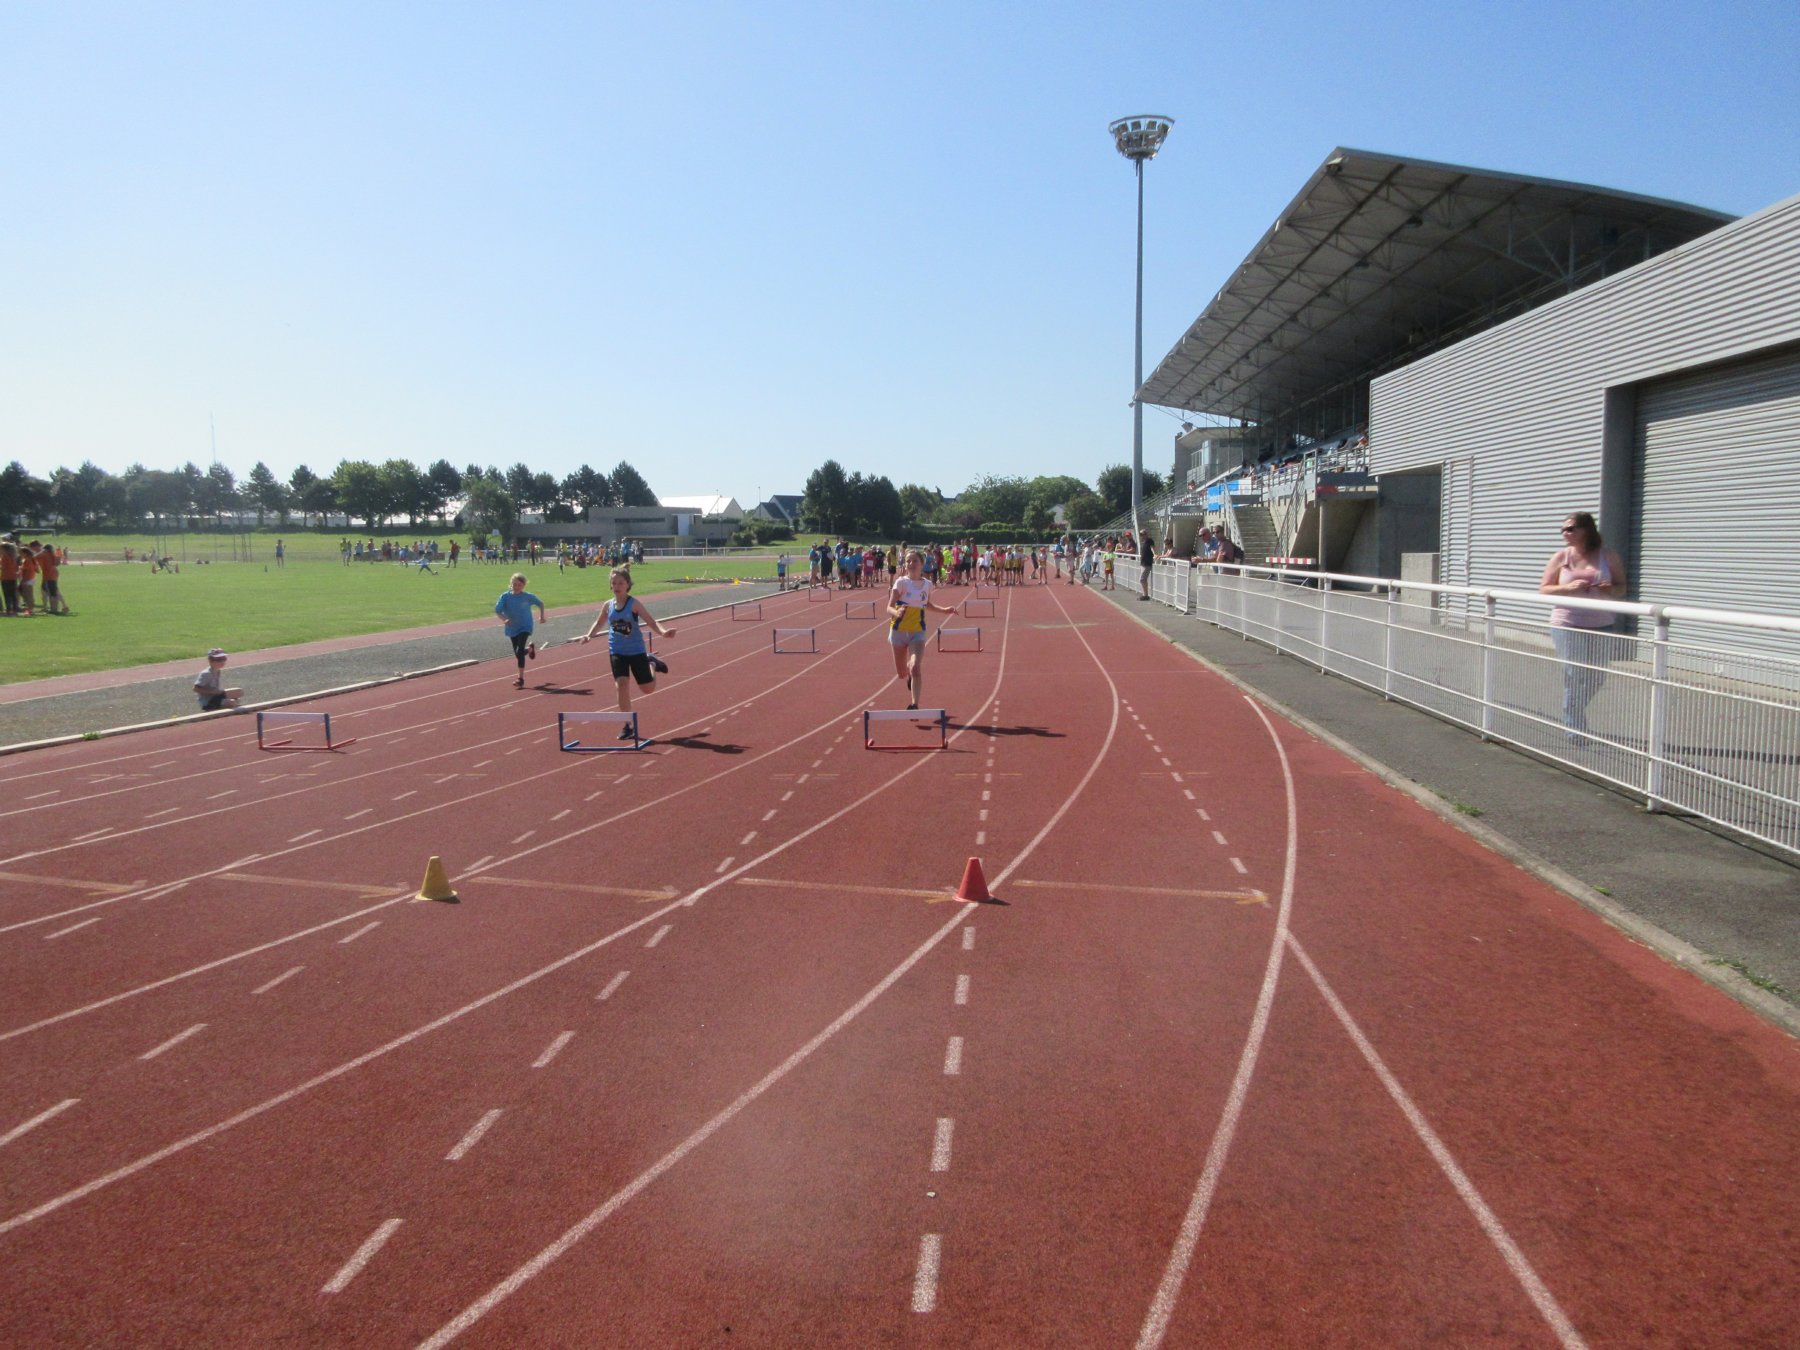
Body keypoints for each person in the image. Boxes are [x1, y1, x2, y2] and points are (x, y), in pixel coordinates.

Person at [1539, 511, 1628, 745]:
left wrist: (1610, 588)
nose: (1565, 533)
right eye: (1563, 530)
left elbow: (1622, 588)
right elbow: (1544, 589)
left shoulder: (1608, 556)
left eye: (1570, 529)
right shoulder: (1561, 557)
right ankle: (1575, 728)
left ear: (1586, 529)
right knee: (1575, 674)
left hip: (1601, 622)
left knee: (1597, 677)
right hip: (1567, 622)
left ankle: (1572, 710)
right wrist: (1567, 589)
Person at [580, 567, 675, 737]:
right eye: (614, 583)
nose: (617, 586)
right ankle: (627, 725)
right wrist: (589, 635)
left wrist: (663, 633)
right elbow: (599, 623)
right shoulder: (608, 605)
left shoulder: (634, 604)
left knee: (648, 689)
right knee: (621, 684)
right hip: (617, 651)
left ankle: (652, 663)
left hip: (636, 650)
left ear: (628, 585)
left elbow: (651, 621)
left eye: (621, 583)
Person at [886, 548, 959, 711]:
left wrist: (944, 610)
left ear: (922, 564)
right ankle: (908, 676)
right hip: (898, 631)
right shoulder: (901, 583)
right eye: (908, 561)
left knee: (915, 667)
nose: (911, 564)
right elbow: (888, 607)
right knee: (902, 673)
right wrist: (896, 612)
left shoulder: (927, 585)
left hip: (917, 632)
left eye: (914, 561)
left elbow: (926, 604)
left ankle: (914, 704)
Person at [495, 572, 547, 690]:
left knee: (519, 651)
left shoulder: (527, 596)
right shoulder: (505, 597)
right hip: (512, 627)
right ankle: (530, 649)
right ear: (511, 584)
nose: (516, 587)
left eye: (519, 585)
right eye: (514, 584)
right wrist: (504, 619)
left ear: (523, 586)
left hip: (525, 626)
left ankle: (520, 678)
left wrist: (542, 616)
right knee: (518, 653)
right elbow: (498, 610)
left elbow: (540, 603)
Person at [35, 542, 69, 614]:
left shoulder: (44, 554)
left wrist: (41, 551)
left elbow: (35, 557)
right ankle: (53, 607)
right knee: (48, 590)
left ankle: (54, 609)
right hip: (52, 573)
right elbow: (57, 562)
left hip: (49, 575)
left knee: (52, 592)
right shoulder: (52, 555)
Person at [1138, 533, 1156, 599]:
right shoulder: (1143, 542)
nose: (1141, 536)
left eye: (1142, 535)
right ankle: (1145, 594)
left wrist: (1154, 554)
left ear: (1146, 534)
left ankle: (1145, 595)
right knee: (1143, 579)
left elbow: (1152, 548)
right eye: (1141, 535)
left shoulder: (1149, 540)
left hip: (1147, 563)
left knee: (1142, 579)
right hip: (1143, 563)